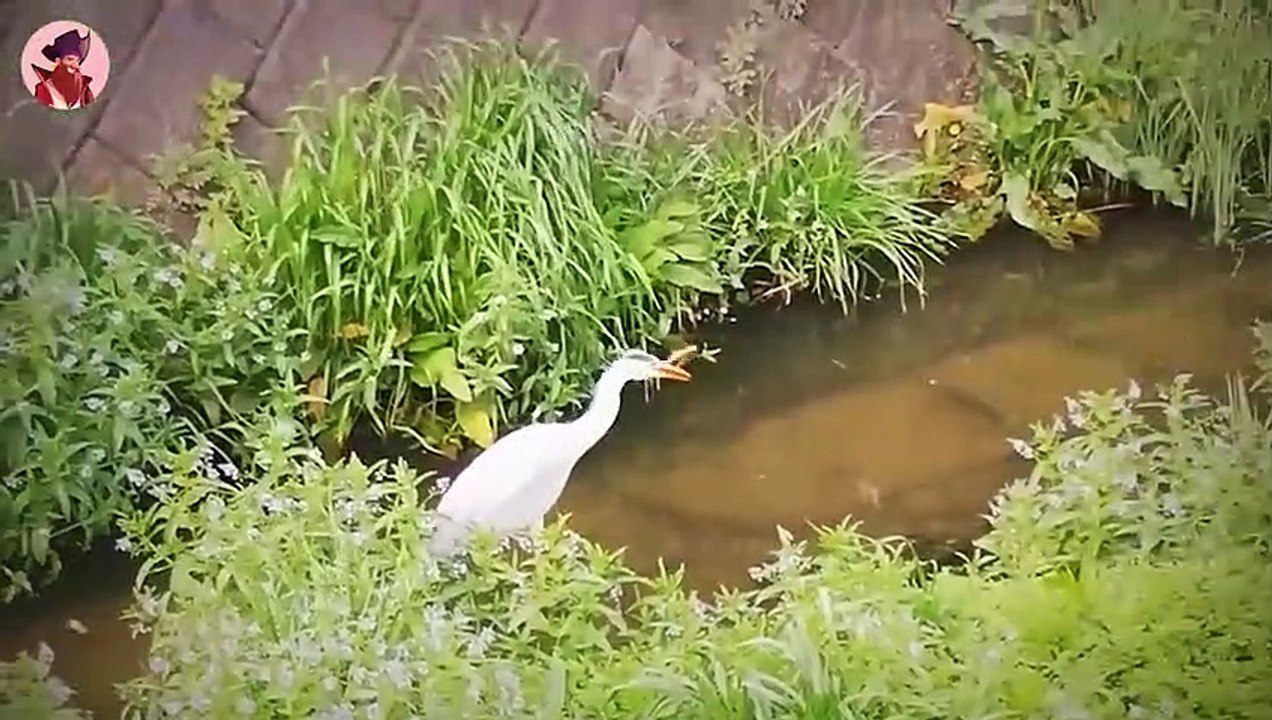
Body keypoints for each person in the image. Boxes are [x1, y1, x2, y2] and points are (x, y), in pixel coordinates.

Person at [31, 28, 96, 110]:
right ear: (58, 61)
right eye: (70, 59)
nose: (75, 65)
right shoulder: (43, 89)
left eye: (78, 61)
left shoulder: (84, 89)